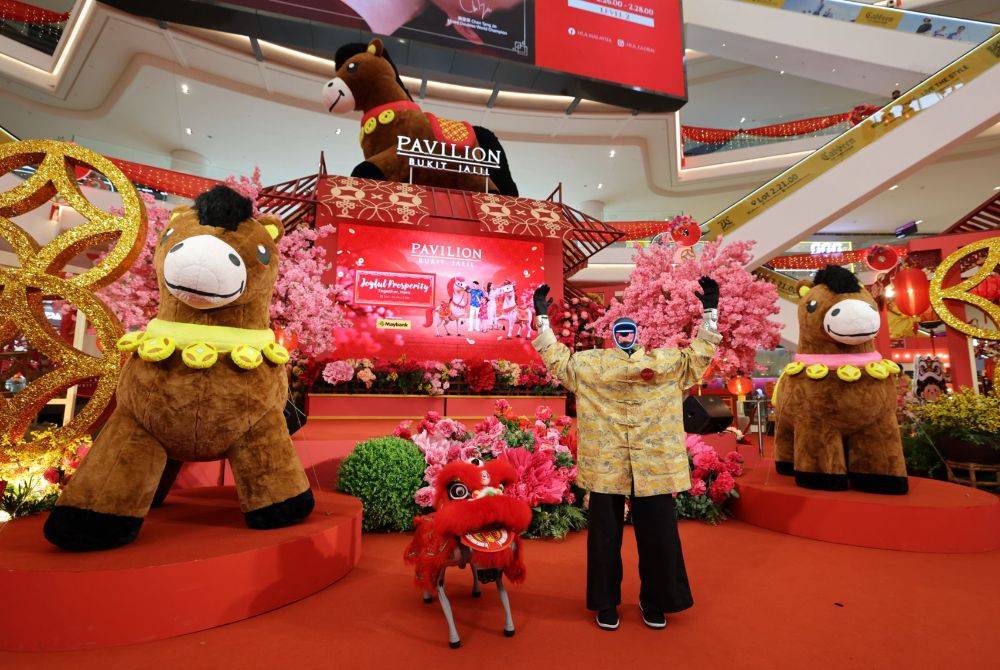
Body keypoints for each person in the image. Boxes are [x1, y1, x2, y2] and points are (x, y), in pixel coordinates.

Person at [531, 278, 722, 631]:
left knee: (661, 534)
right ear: (612, 336)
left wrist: (710, 311)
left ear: (638, 335)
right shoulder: (590, 364)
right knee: (604, 536)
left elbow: (700, 356)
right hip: (607, 461)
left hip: (655, 461)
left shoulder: (666, 362)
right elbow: (557, 361)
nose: (624, 336)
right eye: (618, 331)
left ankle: (657, 601)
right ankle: (605, 603)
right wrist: (542, 320)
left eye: (629, 331)